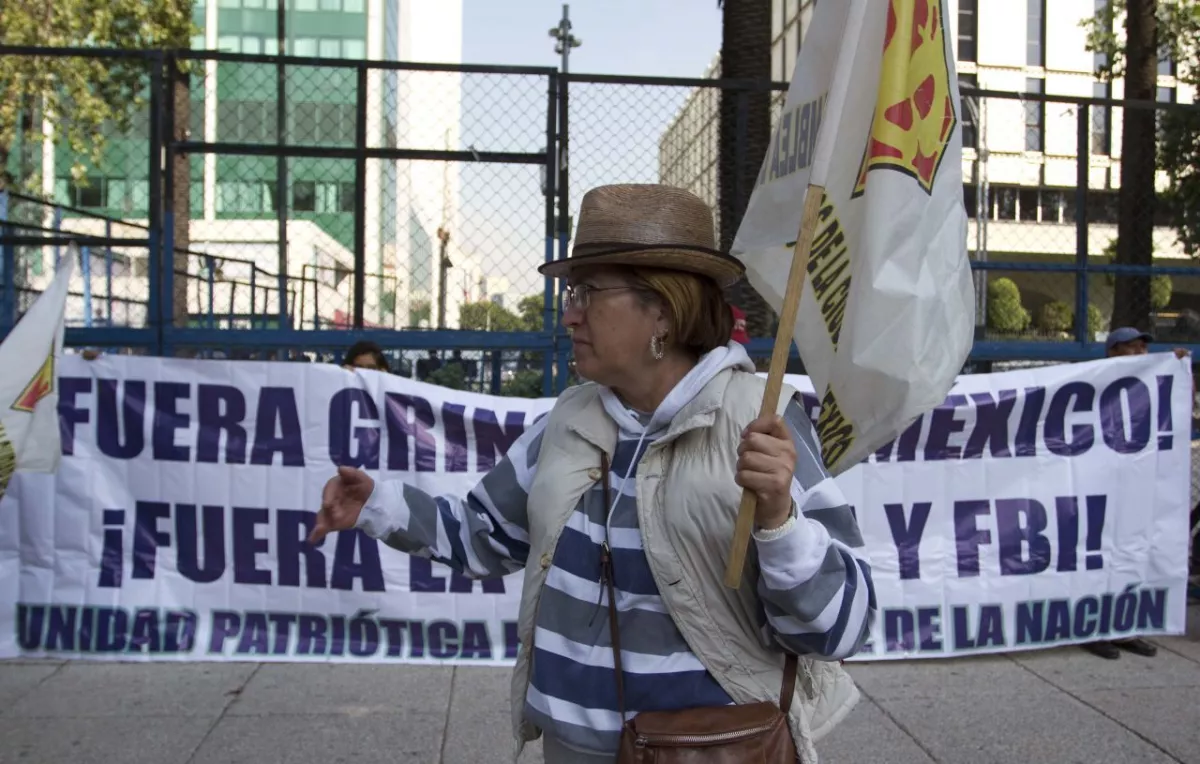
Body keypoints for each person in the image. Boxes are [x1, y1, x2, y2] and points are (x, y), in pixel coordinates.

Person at [307, 184, 875, 763]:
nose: (569, 313)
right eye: (570, 291)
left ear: (663, 309)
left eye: (588, 292)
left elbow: (842, 627)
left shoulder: (761, 421)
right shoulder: (569, 420)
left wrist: (779, 521)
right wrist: (378, 505)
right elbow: (483, 536)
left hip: (709, 751)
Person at [1080, 327, 1188, 659]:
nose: (1139, 354)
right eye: (1131, 348)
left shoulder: (1150, 384)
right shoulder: (1092, 382)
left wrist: (1176, 367)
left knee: (1132, 552)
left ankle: (1126, 628)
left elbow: (1178, 406)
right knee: (1097, 554)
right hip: (1099, 483)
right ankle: (1094, 629)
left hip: (1137, 483)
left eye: (1142, 349)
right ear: (1112, 352)